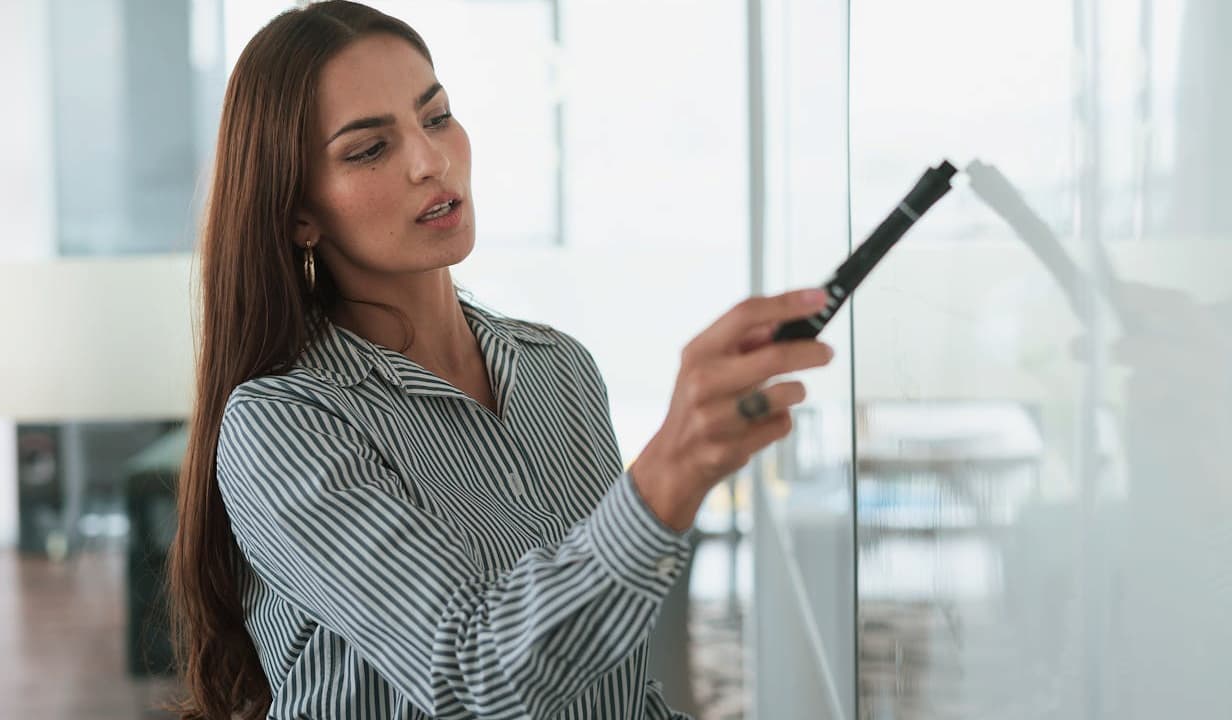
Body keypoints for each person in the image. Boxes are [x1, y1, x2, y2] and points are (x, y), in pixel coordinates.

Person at [167, 2, 834, 718]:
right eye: (369, 149)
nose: (431, 160)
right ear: (300, 212)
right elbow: (470, 673)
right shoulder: (282, 426)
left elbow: (608, 685)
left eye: (437, 116)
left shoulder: (561, 370)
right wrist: (668, 474)